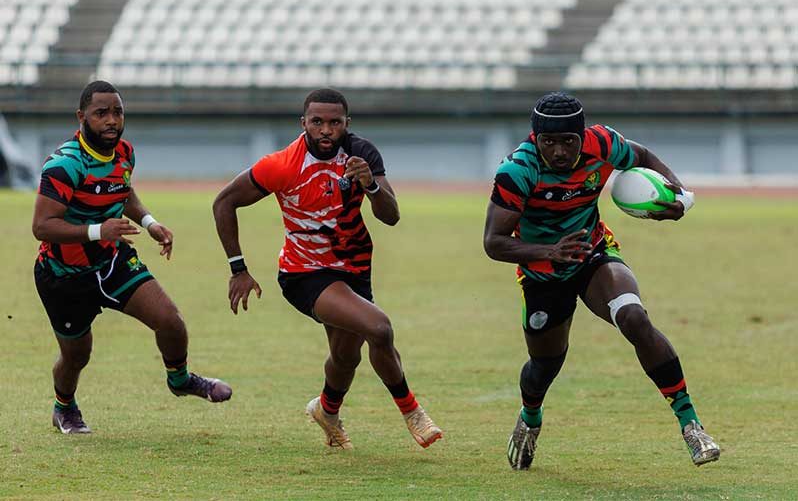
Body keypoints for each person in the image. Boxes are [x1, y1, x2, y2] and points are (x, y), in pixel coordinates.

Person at [483, 92, 720, 469]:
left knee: (634, 318)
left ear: (582, 136)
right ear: (535, 138)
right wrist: (550, 252)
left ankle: (691, 425)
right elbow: (493, 243)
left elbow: (641, 156)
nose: (559, 151)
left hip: (594, 254)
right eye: (549, 142)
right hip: (542, 272)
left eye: (568, 142)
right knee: (545, 364)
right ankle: (530, 419)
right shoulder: (517, 171)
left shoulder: (603, 143)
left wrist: (681, 195)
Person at [212, 88, 442, 450]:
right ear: (303, 123)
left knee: (345, 355)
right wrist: (238, 268)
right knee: (379, 329)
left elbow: (391, 216)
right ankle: (412, 411)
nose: (325, 130)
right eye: (317, 122)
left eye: (334, 123)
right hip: (305, 273)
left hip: (354, 267)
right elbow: (224, 202)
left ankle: (327, 410)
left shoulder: (361, 153)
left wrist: (370, 185)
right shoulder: (283, 164)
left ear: (346, 124)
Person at [32, 81, 232, 435]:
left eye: (117, 112)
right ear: (82, 117)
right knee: (77, 355)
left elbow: (122, 190)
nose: (111, 120)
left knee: (170, 321)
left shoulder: (124, 152)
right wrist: (97, 230)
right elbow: (42, 226)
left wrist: (149, 222)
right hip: (64, 275)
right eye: (101, 113)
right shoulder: (64, 164)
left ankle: (180, 379)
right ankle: (64, 408)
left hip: (111, 262)